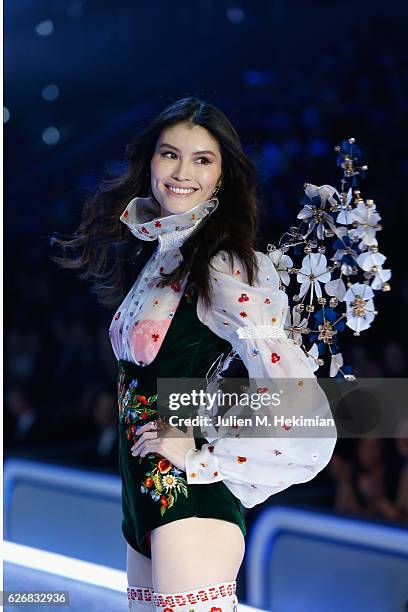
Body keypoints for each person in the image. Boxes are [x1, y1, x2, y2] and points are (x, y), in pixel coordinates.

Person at [51, 96, 337, 611]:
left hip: (191, 500)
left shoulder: (225, 264)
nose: (182, 172)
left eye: (203, 159)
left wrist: (204, 456)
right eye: (170, 154)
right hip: (144, 497)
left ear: (223, 176)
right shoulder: (164, 257)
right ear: (149, 164)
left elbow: (302, 406)